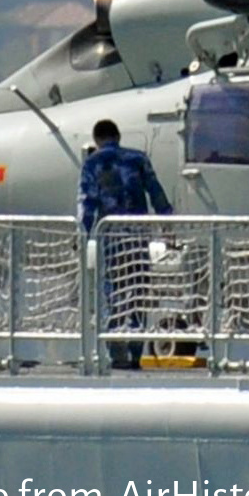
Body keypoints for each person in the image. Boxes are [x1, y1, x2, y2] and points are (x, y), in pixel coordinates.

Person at [79, 119, 173, 369]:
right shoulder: (138, 159)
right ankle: (135, 350)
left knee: (113, 293)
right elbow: (156, 192)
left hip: (110, 238)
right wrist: (167, 221)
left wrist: (82, 234)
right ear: (118, 136)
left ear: (97, 139)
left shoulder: (93, 162)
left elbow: (88, 202)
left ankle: (116, 348)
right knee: (138, 292)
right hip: (138, 237)